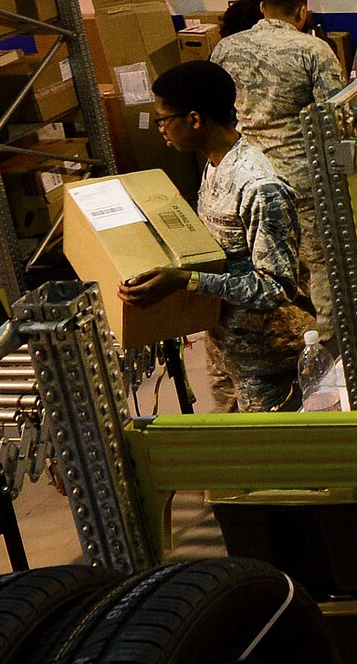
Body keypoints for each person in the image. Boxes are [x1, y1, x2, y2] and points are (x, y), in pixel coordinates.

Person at [121, 61, 313, 412]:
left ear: (194, 119)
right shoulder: (215, 165)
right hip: (225, 342)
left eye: (164, 119)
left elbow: (277, 287)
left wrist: (186, 281)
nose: (160, 128)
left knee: (266, 454)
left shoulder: (259, 187)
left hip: (266, 354)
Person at [211, 0, 345, 342]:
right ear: (302, 13)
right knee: (323, 266)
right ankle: (329, 350)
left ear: (262, 9)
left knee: (268, 269)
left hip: (248, 180)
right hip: (303, 179)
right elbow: (334, 117)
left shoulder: (224, 50)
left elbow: (218, 115)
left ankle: (283, 343)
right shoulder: (314, 52)